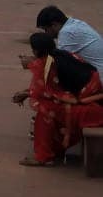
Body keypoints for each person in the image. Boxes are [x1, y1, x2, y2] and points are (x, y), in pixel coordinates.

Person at [12, 32, 103, 166]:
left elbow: (45, 92)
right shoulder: (61, 54)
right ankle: (50, 152)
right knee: (49, 110)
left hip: (90, 105)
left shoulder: (46, 64)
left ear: (36, 51)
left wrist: (28, 93)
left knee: (45, 111)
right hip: (91, 96)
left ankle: (43, 157)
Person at [36, 6, 103, 77]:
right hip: (97, 70)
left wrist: (32, 63)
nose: (46, 33)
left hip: (99, 77)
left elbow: (58, 63)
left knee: (59, 75)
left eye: (46, 29)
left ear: (54, 24)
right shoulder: (75, 23)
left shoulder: (66, 33)